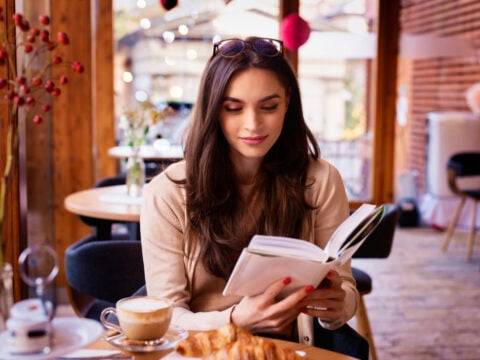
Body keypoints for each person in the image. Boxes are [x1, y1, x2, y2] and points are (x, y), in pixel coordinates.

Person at [140, 37, 359, 346]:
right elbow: (166, 316)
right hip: (203, 350)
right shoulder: (167, 194)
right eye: (233, 108)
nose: (253, 124)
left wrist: (338, 306)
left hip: (289, 349)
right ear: (213, 111)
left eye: (269, 107)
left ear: (287, 103)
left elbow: (345, 288)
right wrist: (233, 320)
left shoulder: (320, 181)